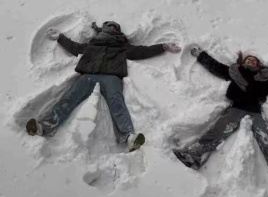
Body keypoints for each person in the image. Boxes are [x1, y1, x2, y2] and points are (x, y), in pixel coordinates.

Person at [26, 21, 181, 152]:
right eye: (109, 26)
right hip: (88, 75)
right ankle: (45, 126)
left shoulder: (123, 46)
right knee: (70, 98)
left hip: (112, 78)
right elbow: (74, 47)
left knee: (117, 103)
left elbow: (142, 51)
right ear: (104, 29)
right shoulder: (92, 44)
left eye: (115, 27)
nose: (112, 28)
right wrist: (60, 37)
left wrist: (163, 47)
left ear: (118, 32)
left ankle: (129, 137)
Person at [173, 46, 268, 189]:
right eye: (249, 59)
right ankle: (192, 156)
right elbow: (216, 67)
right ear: (244, 62)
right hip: (236, 109)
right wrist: (201, 55)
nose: (252, 61)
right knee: (217, 132)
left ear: (258, 64)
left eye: (255, 60)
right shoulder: (236, 71)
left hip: (256, 112)